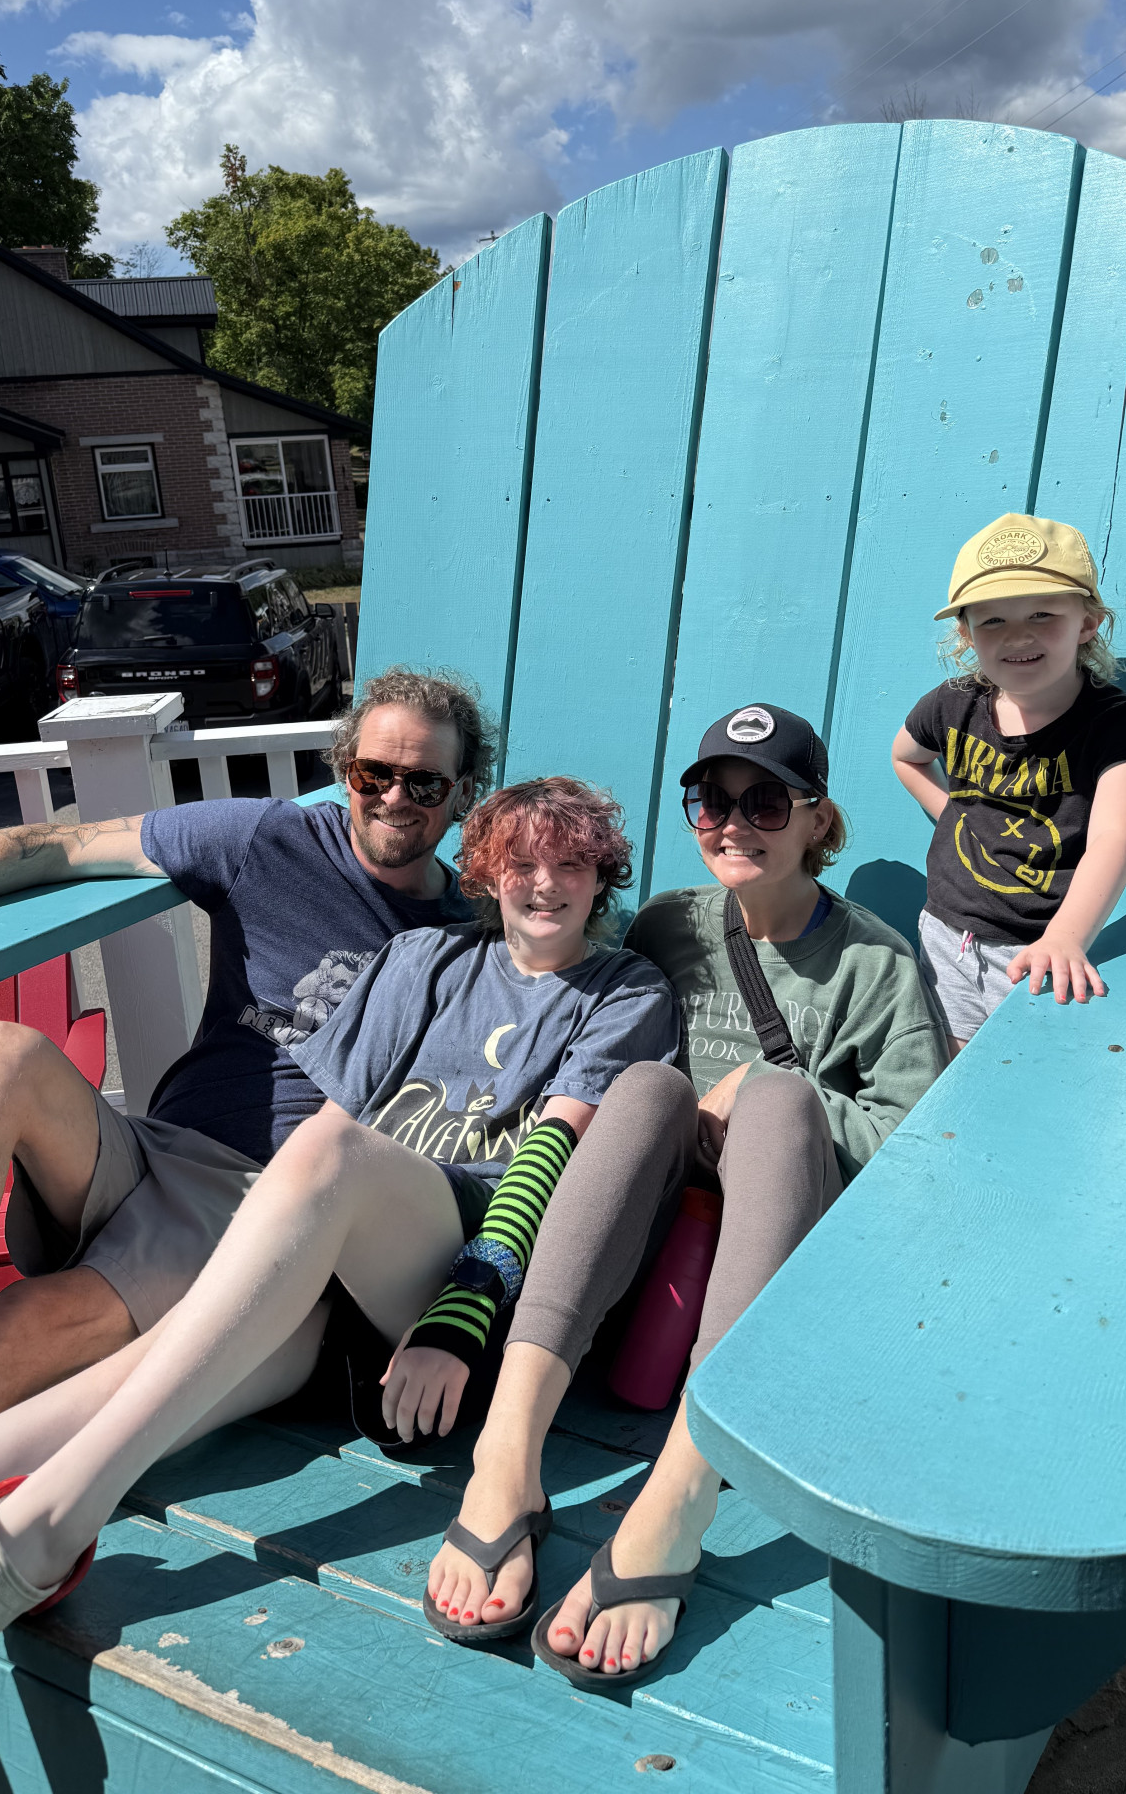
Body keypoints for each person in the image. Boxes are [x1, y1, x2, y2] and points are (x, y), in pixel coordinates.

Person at [0, 778, 680, 1687]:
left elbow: (548, 1163)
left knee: (329, 1158)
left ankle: (49, 1527)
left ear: (602, 877)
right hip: (339, 1308)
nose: (545, 883)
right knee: (145, 1378)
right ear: (486, 872)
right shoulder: (422, 958)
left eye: (571, 864)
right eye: (521, 862)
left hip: (462, 1281)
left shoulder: (622, 991)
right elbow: (338, 1116)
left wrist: (461, 1315)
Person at [419, 703, 950, 1686]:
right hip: (645, 1269)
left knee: (781, 1098)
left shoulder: (874, 964)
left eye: (766, 802)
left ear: (818, 819)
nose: (735, 823)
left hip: (778, 1286)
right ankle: (507, 1451)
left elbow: (919, 1151)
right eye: (713, 800)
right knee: (646, 1086)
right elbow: (567, 986)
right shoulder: (669, 923)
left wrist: (770, 1089)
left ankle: (682, 1491)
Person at [0, 665, 490, 1447]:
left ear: (462, 794)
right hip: (152, 1149)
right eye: (374, 774)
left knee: (36, 1316)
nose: (394, 798)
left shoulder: (479, 939)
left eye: (425, 783)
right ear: (346, 771)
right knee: (2, 1052)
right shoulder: (268, 839)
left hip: (257, 1204)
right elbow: (52, 846)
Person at [890, 513, 1126, 1051]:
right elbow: (906, 757)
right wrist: (953, 815)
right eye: (992, 620)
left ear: (1087, 623)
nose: (1018, 635)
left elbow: (1114, 840)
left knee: (1031, 1069)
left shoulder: (1118, 726)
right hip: (947, 933)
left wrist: (1066, 938)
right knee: (952, 1066)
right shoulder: (953, 704)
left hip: (1045, 948)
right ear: (966, 633)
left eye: (1042, 613)